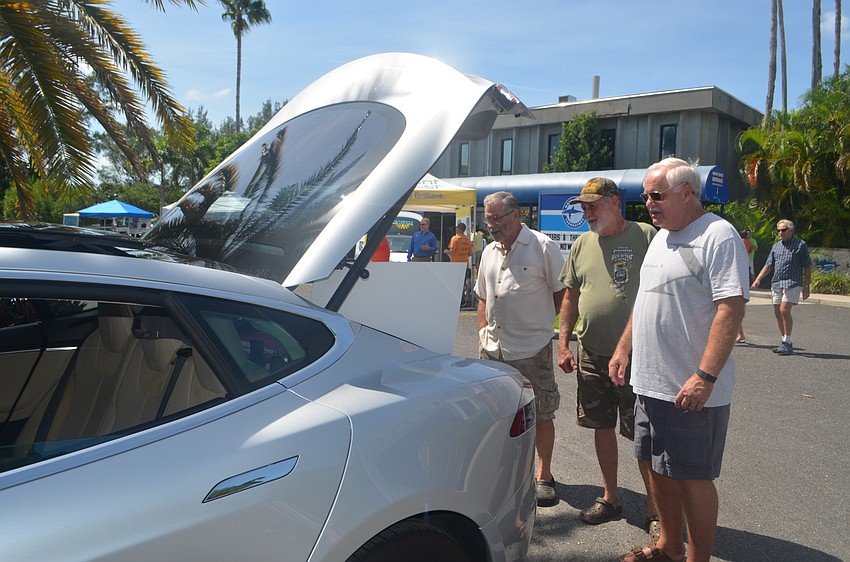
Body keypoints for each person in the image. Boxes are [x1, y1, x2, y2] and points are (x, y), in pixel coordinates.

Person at [609, 158, 748, 562]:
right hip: (650, 382)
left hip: (691, 388)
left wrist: (705, 376)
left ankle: (696, 558)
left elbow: (730, 309)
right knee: (655, 468)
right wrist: (623, 348)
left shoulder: (717, 235)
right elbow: (645, 300)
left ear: (687, 192)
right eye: (646, 196)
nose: (648, 203)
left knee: (692, 478)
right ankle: (668, 546)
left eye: (657, 195)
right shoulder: (660, 237)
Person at [557, 178, 660, 539]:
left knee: (644, 436)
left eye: (593, 205)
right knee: (601, 426)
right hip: (592, 353)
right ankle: (611, 497)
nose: (586, 212)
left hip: (639, 356)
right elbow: (570, 296)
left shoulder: (646, 236)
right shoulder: (582, 244)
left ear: (614, 202)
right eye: (583, 207)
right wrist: (564, 343)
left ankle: (655, 508)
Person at [474, 191, 566, 507]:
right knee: (498, 414)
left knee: (541, 412)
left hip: (531, 348)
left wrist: (543, 327)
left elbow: (562, 294)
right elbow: (483, 297)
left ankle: (544, 475)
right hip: (493, 350)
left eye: (497, 218)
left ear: (517, 216)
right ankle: (508, 472)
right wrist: (482, 333)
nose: (492, 225)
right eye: (488, 219)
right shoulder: (488, 251)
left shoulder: (542, 247)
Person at [751, 219, 812, 355]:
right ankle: (785, 341)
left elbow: (807, 266)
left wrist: (807, 286)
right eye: (778, 230)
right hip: (777, 282)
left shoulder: (800, 245)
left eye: (783, 230)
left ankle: (787, 341)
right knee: (777, 312)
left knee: (784, 310)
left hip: (792, 282)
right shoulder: (776, 246)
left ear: (791, 231)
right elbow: (768, 265)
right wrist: (758, 279)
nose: (780, 232)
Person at [736, 229, 755, 343]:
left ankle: (740, 334)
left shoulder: (739, 243)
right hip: (747, 264)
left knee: (735, 310)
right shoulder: (748, 242)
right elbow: (753, 248)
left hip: (740, 280)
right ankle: (740, 334)